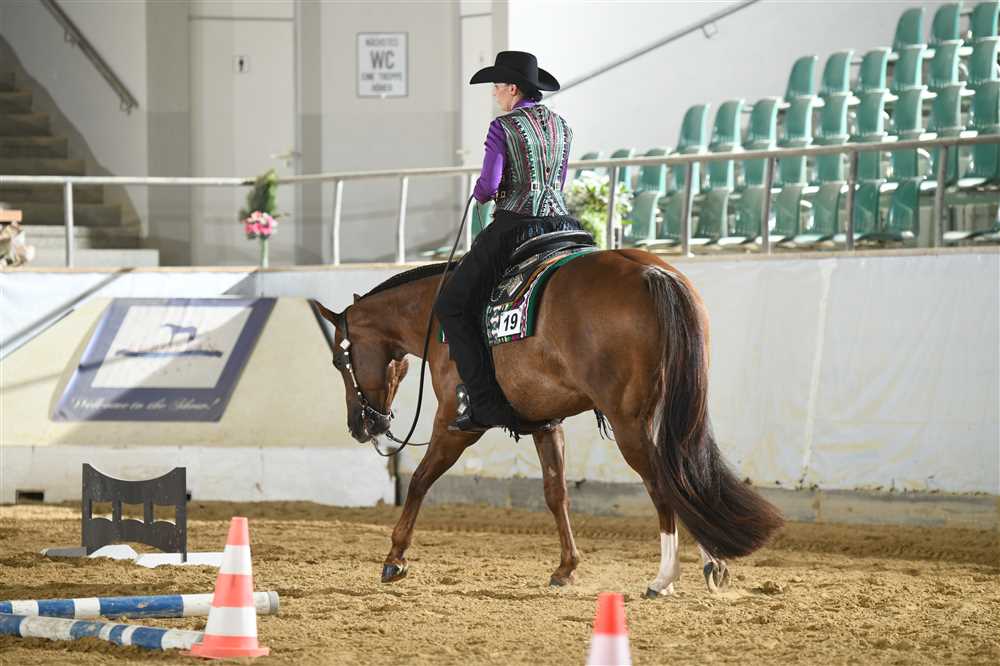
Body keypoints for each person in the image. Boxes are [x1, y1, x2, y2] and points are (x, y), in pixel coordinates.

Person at [434, 51, 588, 434]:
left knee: (452, 306)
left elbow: (489, 186)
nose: (495, 94)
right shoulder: (563, 127)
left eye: (497, 86)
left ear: (514, 89)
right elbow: (558, 182)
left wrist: (480, 192)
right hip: (562, 224)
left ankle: (484, 403)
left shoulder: (503, 127)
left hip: (517, 226)